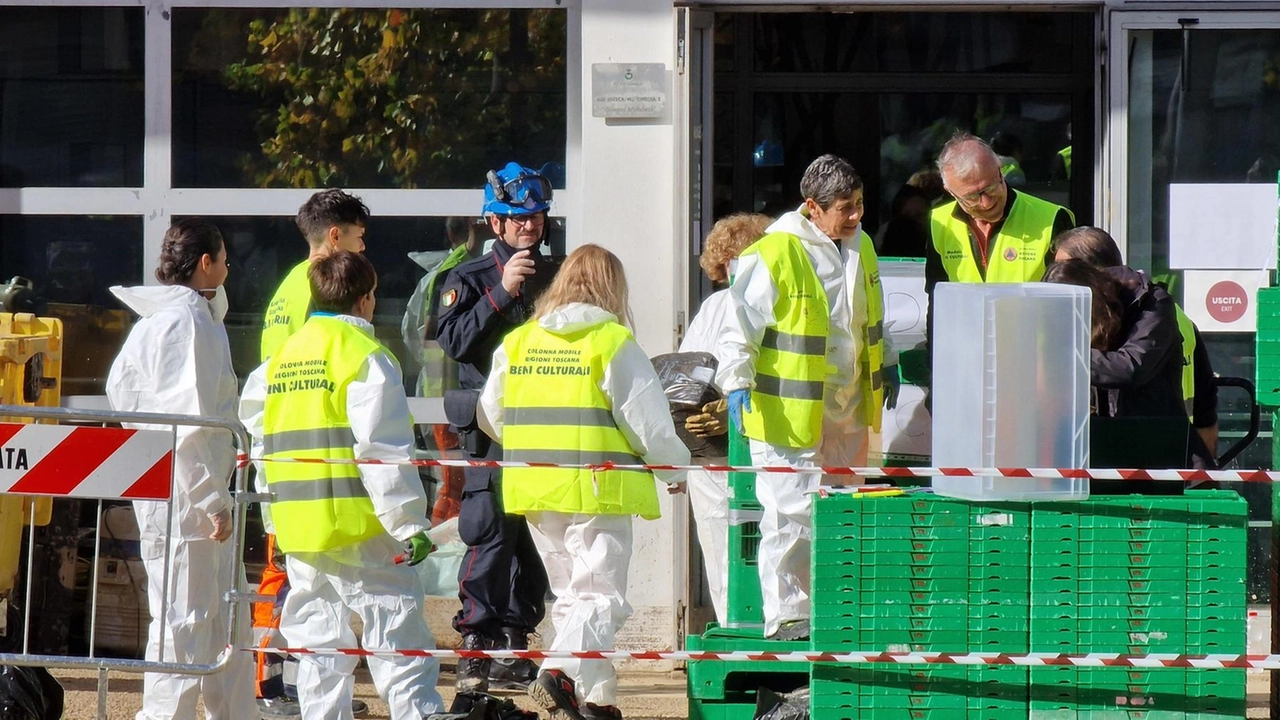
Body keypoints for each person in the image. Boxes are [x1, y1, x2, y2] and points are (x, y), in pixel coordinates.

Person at [477, 244, 689, 720]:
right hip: (598, 488)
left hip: (536, 487)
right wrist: (676, 470)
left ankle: (595, 700)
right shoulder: (612, 343)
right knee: (601, 595)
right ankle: (559, 670)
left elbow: (491, 415)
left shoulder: (520, 342)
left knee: (573, 596)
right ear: (613, 288)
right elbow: (650, 427)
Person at [239, 251, 444, 720]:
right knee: (395, 627)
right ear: (366, 298)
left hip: (300, 525)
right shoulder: (365, 357)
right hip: (360, 525)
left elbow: (259, 439)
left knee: (317, 641)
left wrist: (274, 512)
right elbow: (383, 449)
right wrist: (410, 523)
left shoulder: (279, 361)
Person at [716, 154, 895, 641]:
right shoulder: (773, 253)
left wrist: (890, 362)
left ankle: (837, 612)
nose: (856, 215)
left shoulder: (862, 247)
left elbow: (870, 318)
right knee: (790, 515)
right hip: (786, 412)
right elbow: (737, 331)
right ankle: (788, 617)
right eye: (845, 207)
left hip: (846, 405)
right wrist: (735, 382)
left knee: (842, 511)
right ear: (812, 207)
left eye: (859, 203)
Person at [106, 218, 256, 720]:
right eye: (224, 256)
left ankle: (234, 713)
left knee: (220, 623)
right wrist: (212, 500)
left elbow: (128, 399)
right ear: (206, 263)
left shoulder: (161, 321)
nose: (229, 266)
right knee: (187, 623)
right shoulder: (184, 322)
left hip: (181, 492)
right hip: (190, 500)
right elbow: (184, 423)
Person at [436, 162, 555, 693]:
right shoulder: (468, 277)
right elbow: (457, 344)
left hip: (547, 428)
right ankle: (477, 644)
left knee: (536, 540)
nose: (529, 226)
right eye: (517, 218)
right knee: (488, 534)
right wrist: (502, 292)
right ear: (494, 221)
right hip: (490, 430)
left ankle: (516, 638)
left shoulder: (557, 276)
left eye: (535, 217)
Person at [255, 188, 372, 717]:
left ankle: (290, 689)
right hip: (304, 455)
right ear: (334, 236)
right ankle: (271, 688)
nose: (363, 243)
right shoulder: (316, 292)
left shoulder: (288, 287)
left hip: (284, 450)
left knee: (297, 580)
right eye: (358, 234)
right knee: (290, 580)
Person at [1050, 226, 1220, 462]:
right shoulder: (1086, 309)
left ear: (1086, 271)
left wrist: (1060, 357)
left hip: (1160, 450)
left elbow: (1130, 367)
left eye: (1065, 267)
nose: (1060, 273)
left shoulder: (1152, 303)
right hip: (1106, 448)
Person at [678, 212, 773, 625]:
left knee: (762, 554)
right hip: (717, 461)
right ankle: (739, 638)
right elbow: (685, 378)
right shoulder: (715, 308)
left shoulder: (772, 307)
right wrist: (697, 419)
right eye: (731, 259)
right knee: (725, 558)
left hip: (761, 450)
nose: (736, 267)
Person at [924, 132, 1075, 366]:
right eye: (971, 197)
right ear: (949, 191)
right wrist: (937, 370)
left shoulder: (1052, 218)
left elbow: (1069, 308)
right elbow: (937, 303)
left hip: (1034, 364)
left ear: (1000, 170)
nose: (986, 202)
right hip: (967, 363)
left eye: (991, 188)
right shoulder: (939, 222)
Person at [401, 216, 480, 525]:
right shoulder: (455, 272)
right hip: (449, 400)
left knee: (450, 484)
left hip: (441, 397)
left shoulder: (438, 275)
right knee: (453, 488)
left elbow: (413, 336)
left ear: (449, 233)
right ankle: (442, 553)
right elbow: (428, 336)